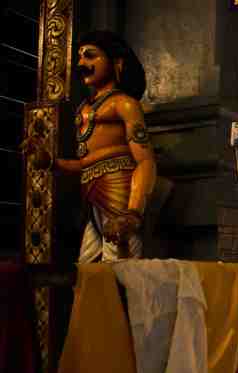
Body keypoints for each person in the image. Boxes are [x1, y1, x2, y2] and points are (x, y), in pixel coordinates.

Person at [22, 30, 157, 262]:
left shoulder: (124, 105)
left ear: (117, 63)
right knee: (87, 268)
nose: (81, 63)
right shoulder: (84, 108)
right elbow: (85, 163)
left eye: (90, 56)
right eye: (80, 56)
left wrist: (133, 212)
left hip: (120, 196)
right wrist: (51, 161)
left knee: (121, 271)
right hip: (93, 199)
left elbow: (145, 161)